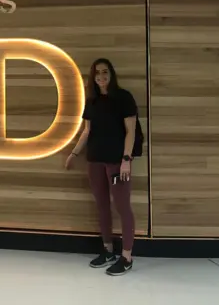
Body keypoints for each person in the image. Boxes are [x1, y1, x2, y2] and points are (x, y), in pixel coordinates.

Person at [65, 58, 137, 276]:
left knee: (122, 207)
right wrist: (74, 153)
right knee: (102, 206)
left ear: (111, 74)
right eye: (97, 73)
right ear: (93, 77)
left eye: (105, 72)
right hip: (95, 160)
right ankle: (108, 251)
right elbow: (87, 132)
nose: (101, 76)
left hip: (117, 162)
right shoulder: (92, 101)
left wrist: (126, 159)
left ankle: (126, 257)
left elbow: (130, 132)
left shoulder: (123, 98)